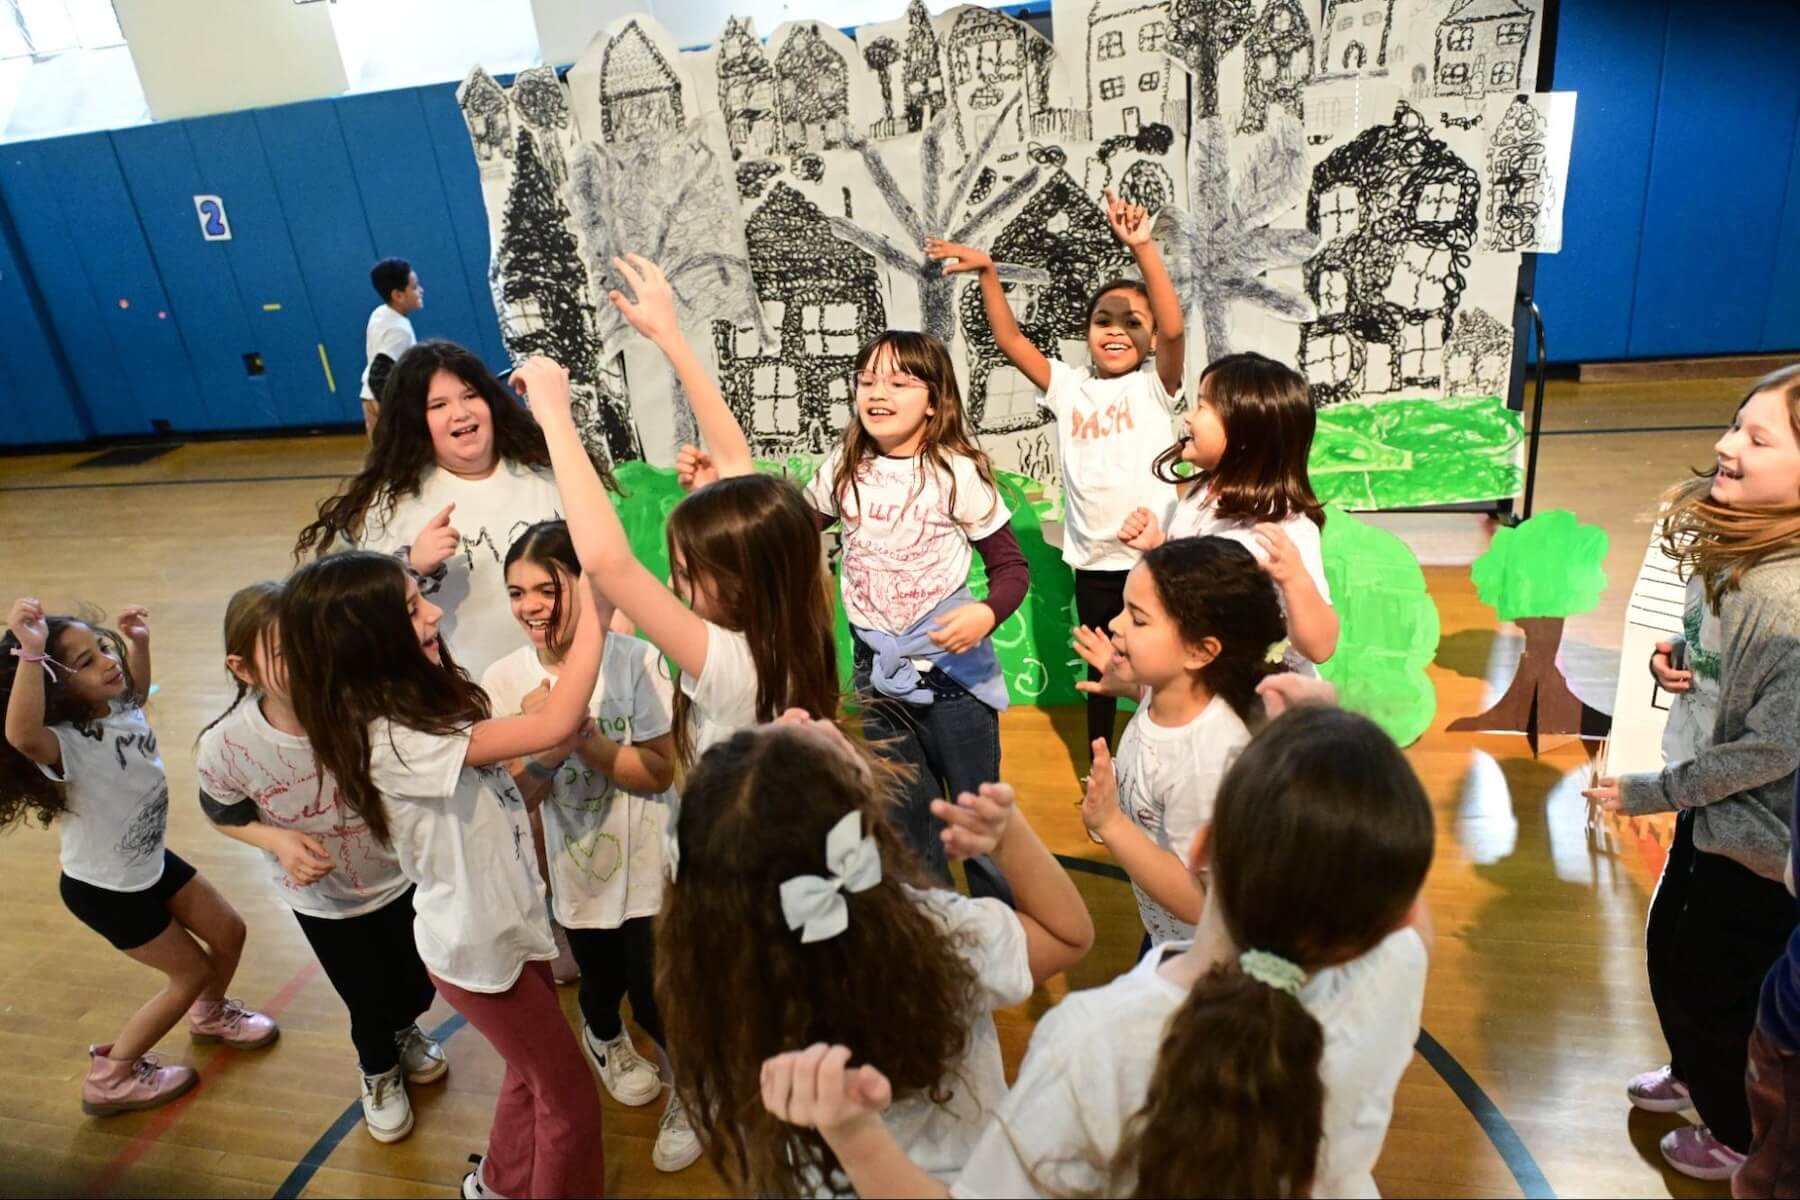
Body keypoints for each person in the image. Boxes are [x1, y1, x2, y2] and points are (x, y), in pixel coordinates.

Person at [760, 702, 1434, 1200]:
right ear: (1387, 919)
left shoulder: (1093, 1040)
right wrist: (1342, 754)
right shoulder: (1390, 981)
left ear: (1199, 849)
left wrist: (852, 1133)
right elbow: (1408, 922)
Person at [666, 260, 1027, 896]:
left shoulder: (957, 470)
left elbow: (1009, 568)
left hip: (954, 682)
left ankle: (1010, 930)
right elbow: (783, 530)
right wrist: (717, 490)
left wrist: (985, 614)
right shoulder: (844, 465)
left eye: (899, 381)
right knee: (907, 821)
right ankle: (935, 936)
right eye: (866, 380)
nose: (877, 392)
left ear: (937, 400)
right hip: (875, 677)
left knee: (981, 823)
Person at [279, 551, 606, 1200]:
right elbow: (555, 718)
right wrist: (598, 606)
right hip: (478, 950)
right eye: (411, 608)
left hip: (507, 931)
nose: (433, 613)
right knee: (571, 1105)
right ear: (367, 640)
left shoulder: (423, 711)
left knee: (527, 1075)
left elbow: (506, 795)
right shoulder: (394, 738)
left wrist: (553, 753)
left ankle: (499, 1185)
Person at [661, 714, 1093, 1195]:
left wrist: (770, 775)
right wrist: (1009, 836)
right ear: (862, 829)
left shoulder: (717, 975)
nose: (799, 717)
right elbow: (1068, 935)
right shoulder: (939, 935)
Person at [1587, 364, 1800, 1182]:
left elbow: (1774, 750)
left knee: (1718, 982)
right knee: (1674, 953)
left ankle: (1737, 1124)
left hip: (1751, 844)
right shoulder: (1740, 551)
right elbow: (1719, 658)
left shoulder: (1787, 603)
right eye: (1733, 423)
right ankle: (1699, 1069)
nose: (1724, 444)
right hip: (1708, 818)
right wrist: (1682, 660)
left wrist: (1658, 791)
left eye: (1756, 436)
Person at [514, 274, 838, 769]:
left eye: (687, 572)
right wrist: (669, 337)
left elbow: (606, 561)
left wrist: (555, 418)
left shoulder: (737, 665)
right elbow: (735, 462)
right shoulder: (796, 621)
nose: (671, 580)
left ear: (738, 584)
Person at [926, 186, 1185, 758]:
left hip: (1154, 557)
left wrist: (1143, 249)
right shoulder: (1069, 387)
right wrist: (988, 272)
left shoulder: (1155, 386)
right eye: (1103, 320)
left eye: (1130, 322)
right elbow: (1010, 339)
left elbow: (1172, 331)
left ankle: (1158, 764)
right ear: (1087, 331)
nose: (1116, 331)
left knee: (1157, 671)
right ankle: (1101, 766)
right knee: (1100, 674)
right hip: (1093, 562)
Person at [480, 520, 698, 1173]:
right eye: (516, 593)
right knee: (599, 981)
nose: (531, 607)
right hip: (578, 872)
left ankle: (689, 1087)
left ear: (585, 585)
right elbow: (517, 799)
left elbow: (658, 772)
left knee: (658, 992)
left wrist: (579, 737)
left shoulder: (636, 664)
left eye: (546, 588)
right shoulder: (502, 679)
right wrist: (544, 743)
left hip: (652, 863)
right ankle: (603, 1037)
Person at [2, 599, 277, 1116]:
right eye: (86, 662)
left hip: (148, 861)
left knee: (229, 932)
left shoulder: (116, 706)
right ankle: (111, 1077)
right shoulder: (63, 744)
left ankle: (211, 1015)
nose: (108, 661)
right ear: (56, 685)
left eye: (103, 648)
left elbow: (135, 686)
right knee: (190, 972)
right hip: (106, 890)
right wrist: (32, 655)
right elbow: (20, 734)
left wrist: (141, 642)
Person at [196, 581, 444, 1143]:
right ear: (243, 668)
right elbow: (222, 811)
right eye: (287, 653)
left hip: (399, 877)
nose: (309, 661)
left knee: (414, 980)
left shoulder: (361, 704)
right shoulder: (228, 745)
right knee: (363, 995)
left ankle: (405, 1027)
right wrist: (276, 841)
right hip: (325, 904)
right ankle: (378, 1069)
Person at [295, 338, 619, 679]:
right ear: (416, 420)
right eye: (438, 405)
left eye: (469, 396)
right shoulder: (392, 504)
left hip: (575, 675)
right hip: (467, 691)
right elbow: (366, 617)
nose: (460, 412)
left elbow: (608, 561)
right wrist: (411, 565)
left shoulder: (550, 471)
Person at [1071, 537, 1287, 949]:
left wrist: (1110, 824)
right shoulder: (1170, 693)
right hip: (1168, 934)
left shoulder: (1206, 761)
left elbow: (1201, 905)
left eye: (1137, 619)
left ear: (1200, 651)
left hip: (1204, 957)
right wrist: (1130, 688)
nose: (1115, 625)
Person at [1120, 352, 1339, 674]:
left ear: (1246, 431)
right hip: (1201, 685)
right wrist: (1159, 547)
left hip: (1256, 702)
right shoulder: (1200, 496)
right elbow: (1198, 581)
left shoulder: (1282, 530)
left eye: (1203, 406)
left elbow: (1320, 647)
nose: (1188, 418)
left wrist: (1294, 579)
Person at [362, 257, 423, 437]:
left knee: (381, 459)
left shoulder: (380, 313)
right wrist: (394, 413)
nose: (420, 290)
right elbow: (379, 373)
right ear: (398, 295)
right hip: (382, 401)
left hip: (367, 396)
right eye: (414, 287)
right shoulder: (399, 330)